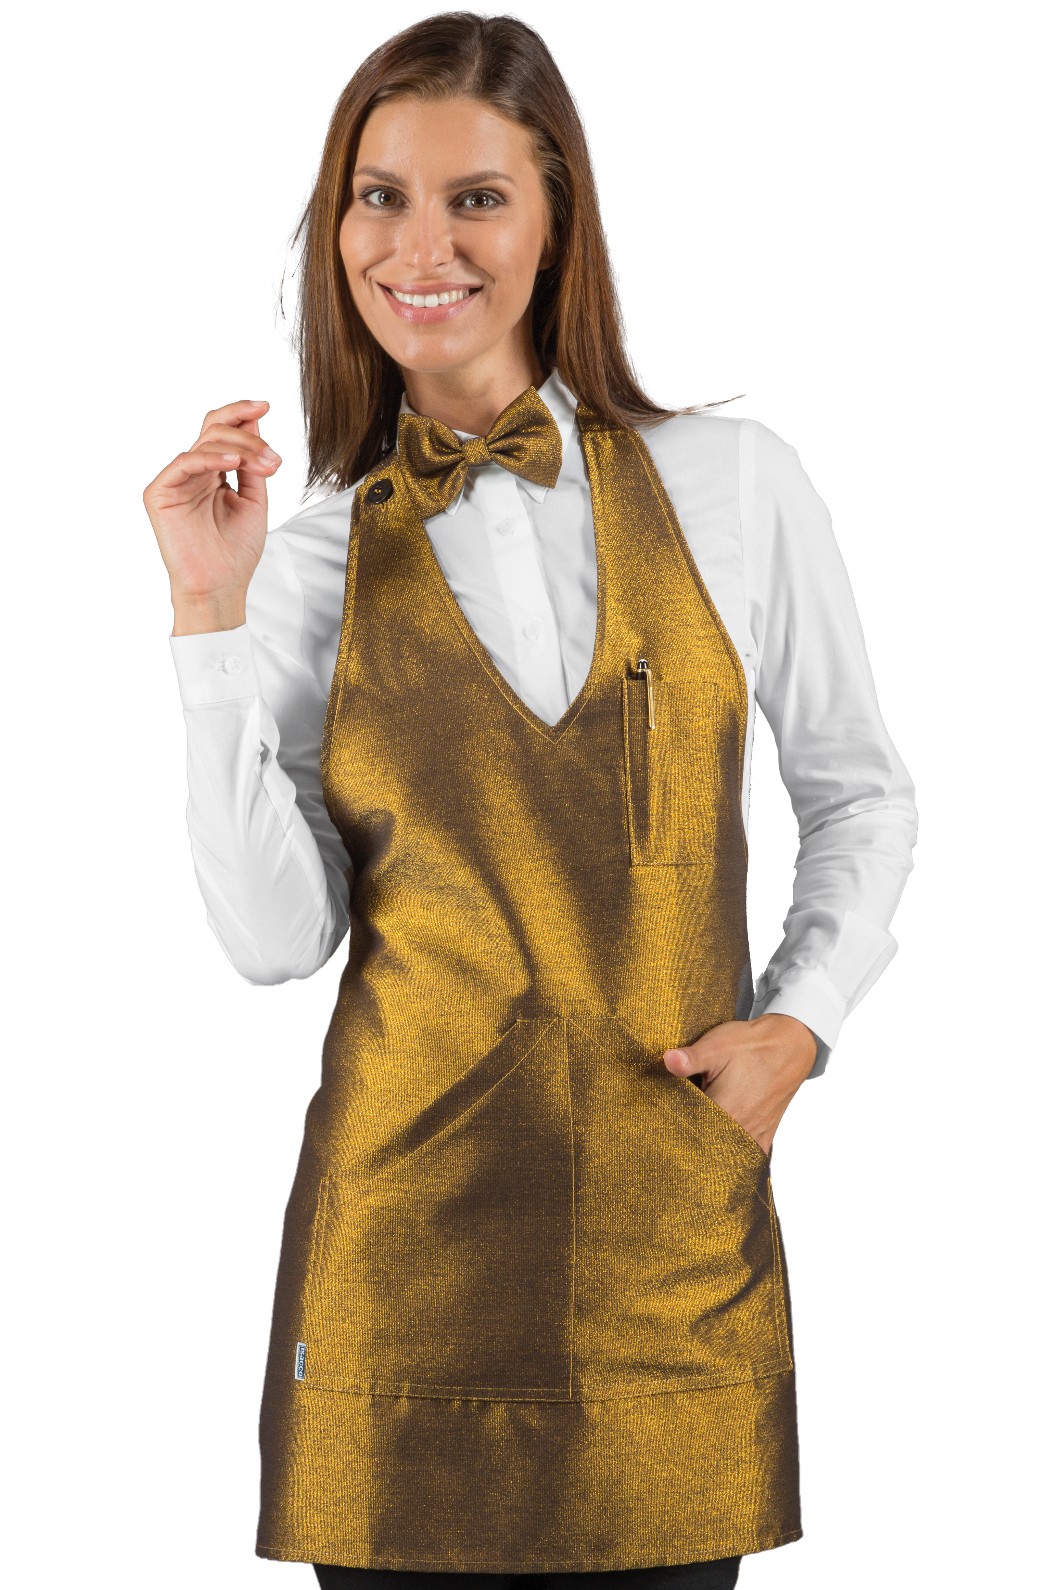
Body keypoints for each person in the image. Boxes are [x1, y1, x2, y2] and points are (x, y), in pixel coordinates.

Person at [142, 12, 918, 1588]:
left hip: (668, 1253)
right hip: (399, 1264)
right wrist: (207, 617)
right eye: (379, 198)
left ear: (558, 220)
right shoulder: (304, 561)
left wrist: (802, 1020)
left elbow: (860, 791)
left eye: (476, 198)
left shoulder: (734, 484)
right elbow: (276, 940)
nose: (419, 246)